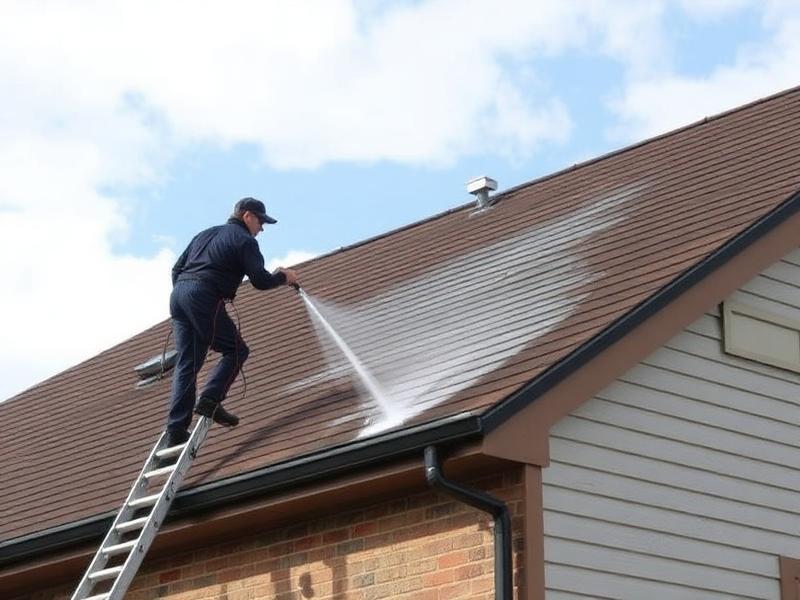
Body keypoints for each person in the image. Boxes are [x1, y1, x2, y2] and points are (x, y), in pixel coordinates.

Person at [165, 197, 299, 447]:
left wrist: (187, 298)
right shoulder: (245, 241)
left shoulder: (204, 234)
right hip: (203, 295)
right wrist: (283, 277)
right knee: (236, 350)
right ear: (247, 216)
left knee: (188, 362)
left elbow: (176, 269)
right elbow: (260, 281)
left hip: (179, 296)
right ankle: (210, 400)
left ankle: (176, 430)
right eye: (261, 221)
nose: (262, 228)